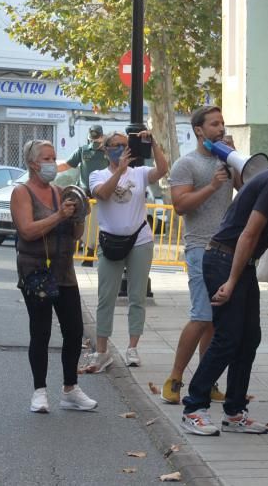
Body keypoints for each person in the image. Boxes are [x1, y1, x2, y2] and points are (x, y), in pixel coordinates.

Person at [180, 129, 268, 437]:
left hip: (235, 262)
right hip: (225, 260)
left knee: (249, 337)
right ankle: (193, 407)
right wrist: (231, 281)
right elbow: (248, 234)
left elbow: (261, 231)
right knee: (228, 337)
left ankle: (234, 411)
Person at [161, 106, 241, 404]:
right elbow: (180, 205)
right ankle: (176, 377)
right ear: (199, 130)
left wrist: (235, 162)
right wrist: (212, 186)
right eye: (215, 124)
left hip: (226, 248)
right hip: (199, 248)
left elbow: (245, 192)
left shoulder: (228, 161)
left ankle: (206, 381)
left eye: (223, 123)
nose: (221, 128)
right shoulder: (187, 164)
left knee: (215, 320)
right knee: (201, 315)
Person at [11, 139, 98, 413]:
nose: (51, 163)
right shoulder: (22, 193)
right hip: (35, 269)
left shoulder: (61, 191)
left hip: (63, 269)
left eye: (53, 157)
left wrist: (80, 215)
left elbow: (74, 234)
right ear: (33, 163)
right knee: (41, 331)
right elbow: (27, 231)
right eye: (47, 158)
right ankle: (39, 392)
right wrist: (59, 216)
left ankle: (70, 389)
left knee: (74, 331)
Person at [86, 131, 168, 372]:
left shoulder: (140, 173)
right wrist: (119, 171)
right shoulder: (97, 175)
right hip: (110, 241)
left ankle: (132, 347)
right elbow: (101, 194)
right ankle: (102, 350)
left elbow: (162, 170)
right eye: (116, 145)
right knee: (106, 297)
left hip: (140, 240)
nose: (121, 149)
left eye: (125, 145)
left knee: (137, 296)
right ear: (106, 149)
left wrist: (153, 143)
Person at [58, 125, 109, 267]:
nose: (95, 139)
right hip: (83, 195)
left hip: (101, 194)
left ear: (102, 136)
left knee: (97, 225)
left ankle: (92, 252)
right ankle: (82, 251)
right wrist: (51, 168)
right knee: (80, 223)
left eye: (97, 135)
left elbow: (116, 169)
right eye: (93, 135)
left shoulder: (108, 151)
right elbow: (67, 165)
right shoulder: (82, 151)